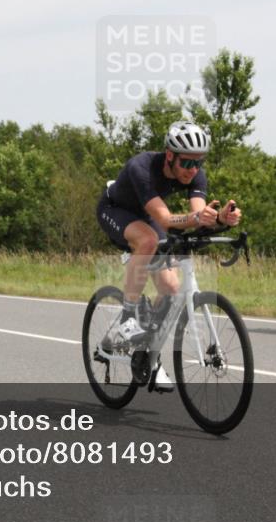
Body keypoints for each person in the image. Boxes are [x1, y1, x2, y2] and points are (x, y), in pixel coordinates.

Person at [96, 121, 241, 390]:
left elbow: (197, 215)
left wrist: (220, 218)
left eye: (199, 162)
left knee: (172, 288)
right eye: (187, 163)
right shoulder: (142, 168)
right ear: (170, 155)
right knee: (149, 240)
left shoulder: (195, 173)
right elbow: (165, 219)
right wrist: (197, 218)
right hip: (114, 210)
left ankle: (148, 356)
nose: (193, 169)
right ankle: (127, 318)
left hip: (145, 215)